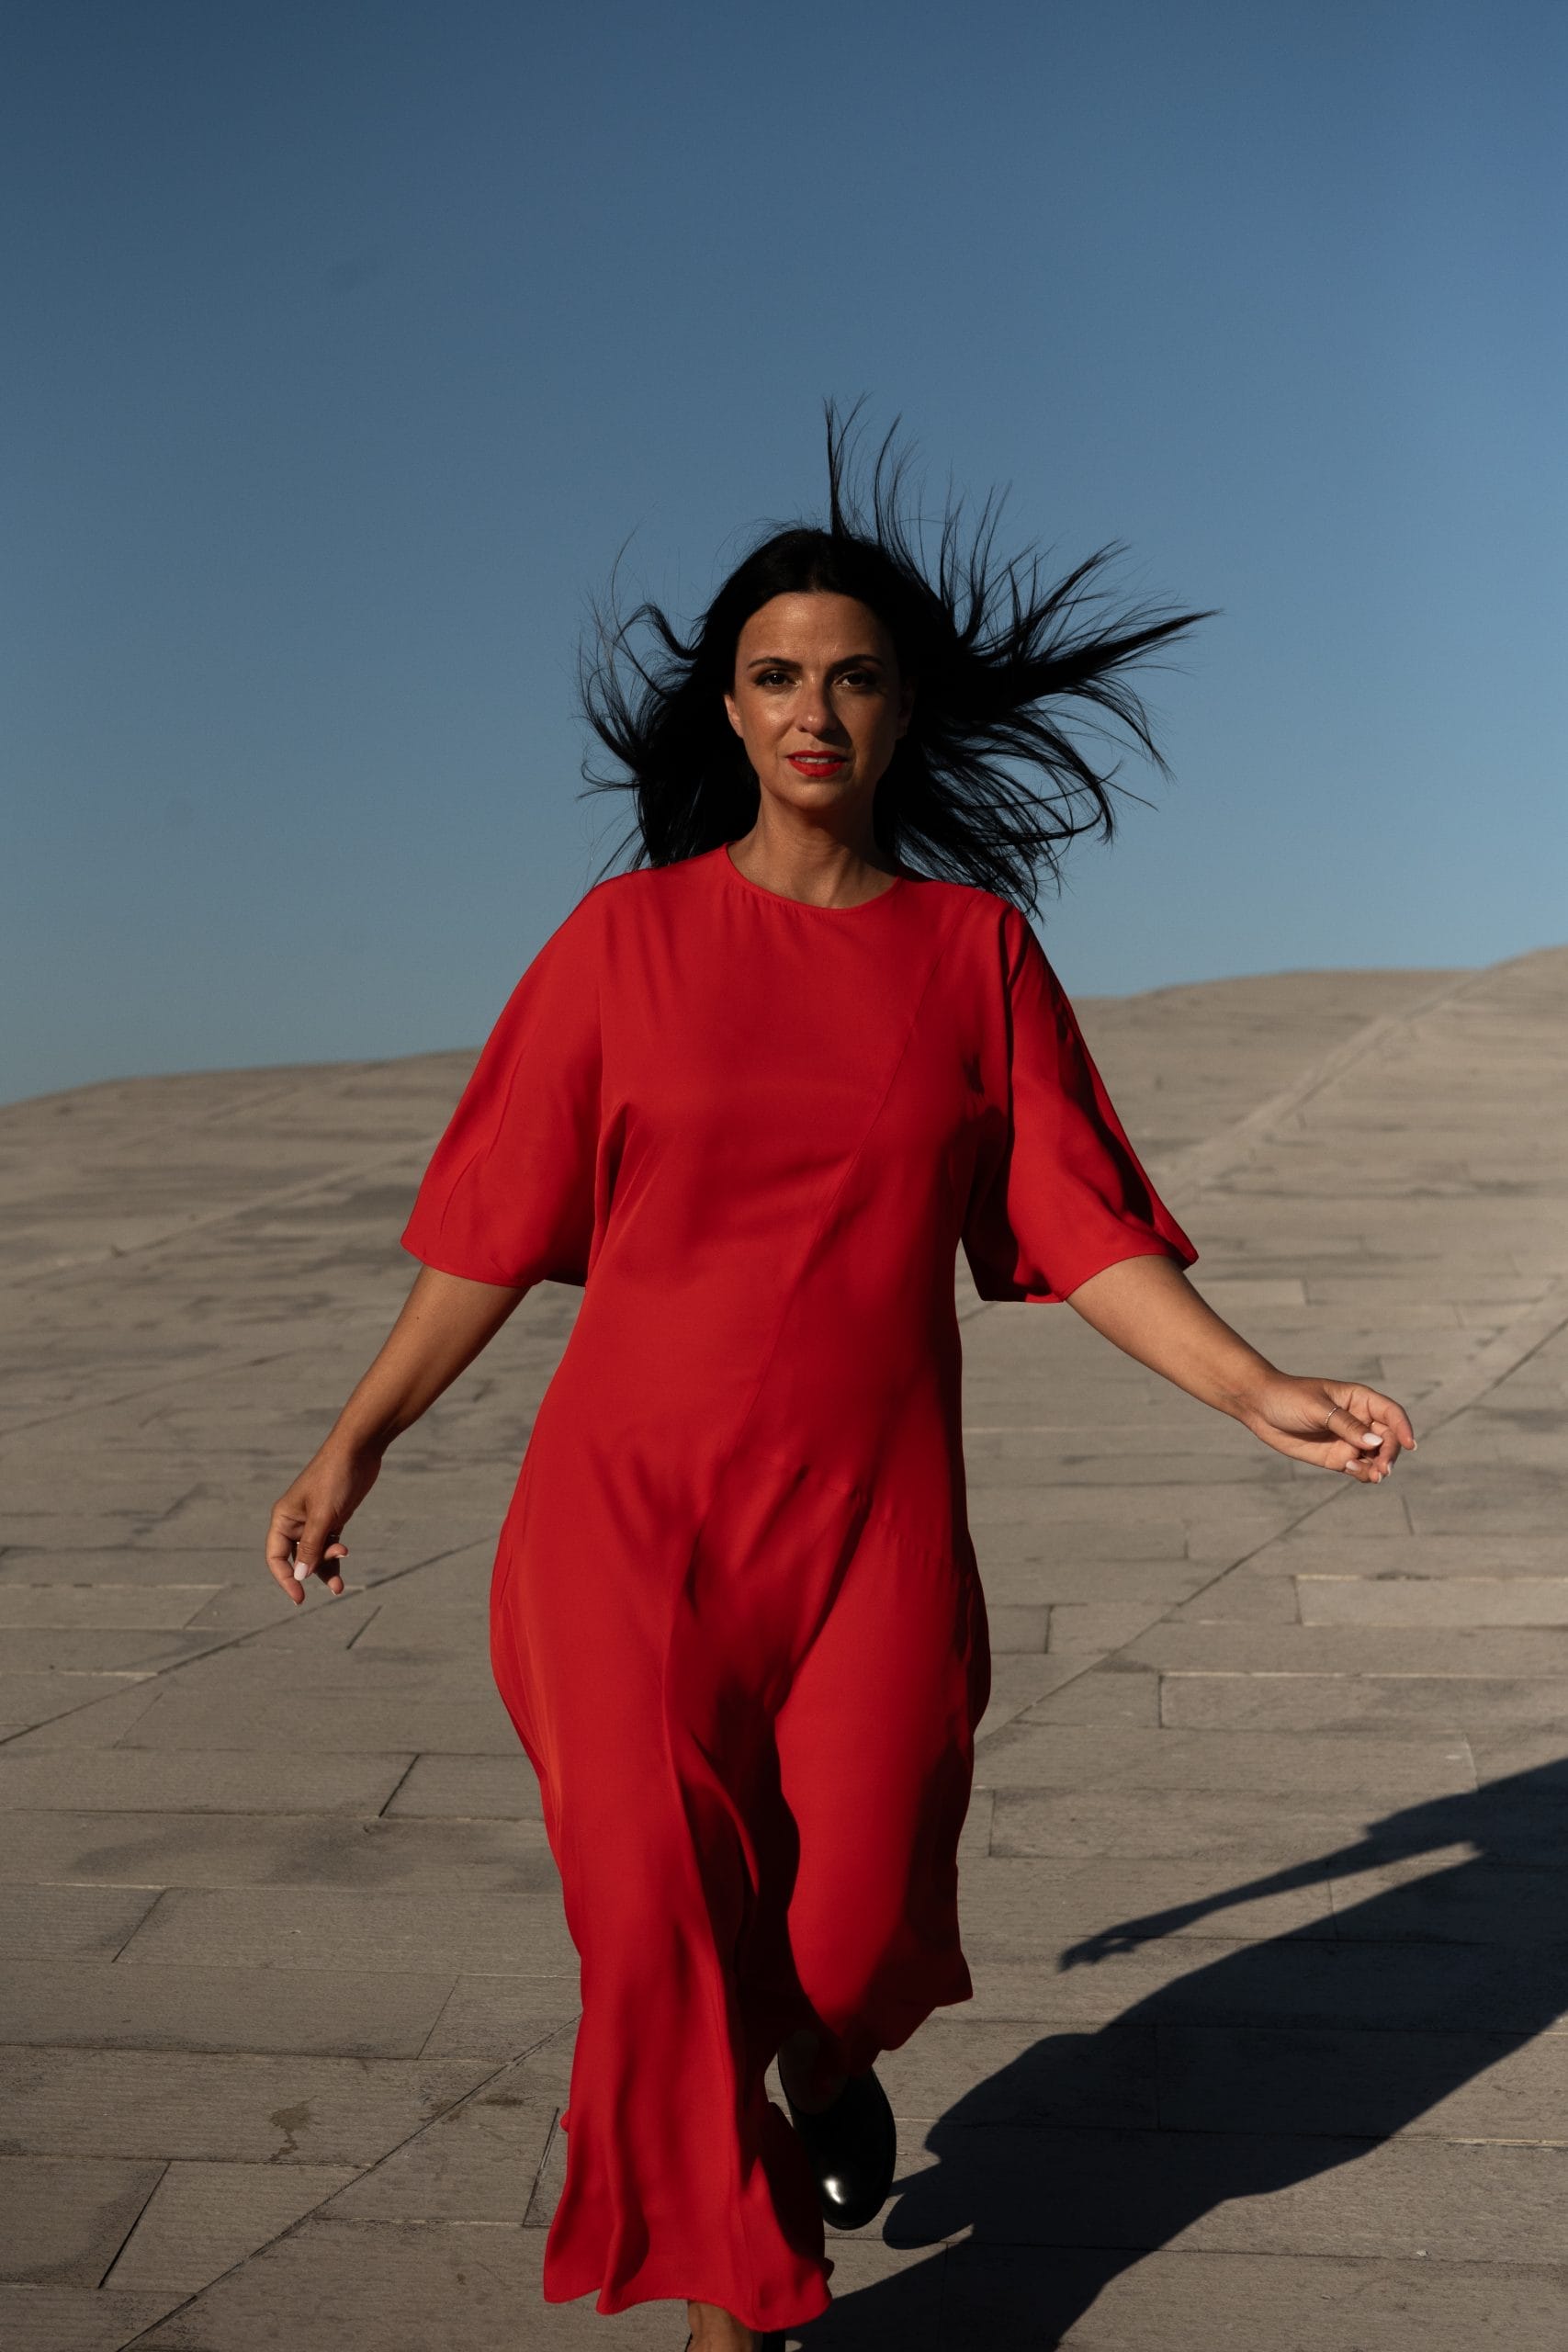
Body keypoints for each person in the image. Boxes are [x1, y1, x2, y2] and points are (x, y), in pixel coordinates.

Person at [265, 412, 1416, 2352]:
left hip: (870, 1519)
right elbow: (487, 1229)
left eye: (853, 677)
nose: (816, 708)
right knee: (653, 1917)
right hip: (618, 1520)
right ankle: (745, 2308)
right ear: (729, 709)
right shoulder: (620, 944)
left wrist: (1248, 1384)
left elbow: (1076, 1219)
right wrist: (354, 1438)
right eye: (778, 675)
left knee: (846, 1922)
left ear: (899, 714)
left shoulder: (971, 954)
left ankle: (823, 2067)